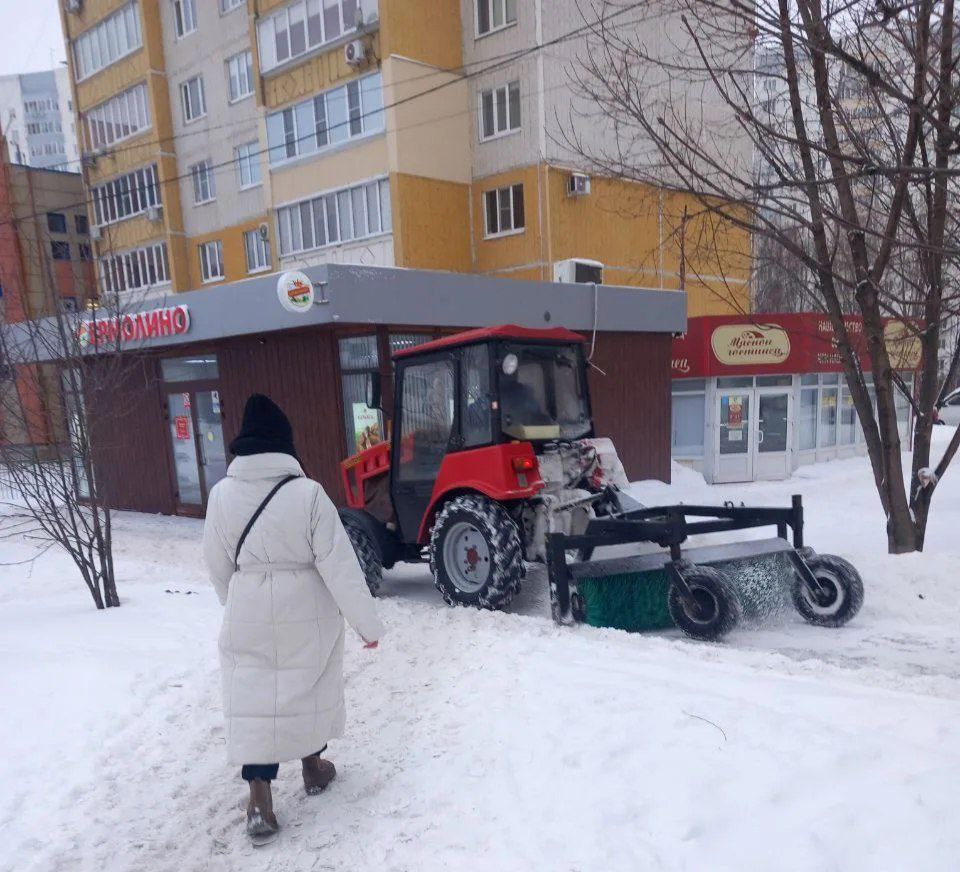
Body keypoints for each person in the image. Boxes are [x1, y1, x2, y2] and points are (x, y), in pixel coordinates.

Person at [202, 394, 384, 840]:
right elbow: (340, 565)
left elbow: (216, 563)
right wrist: (367, 625)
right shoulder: (308, 495)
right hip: (307, 605)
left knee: (256, 701)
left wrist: (240, 603)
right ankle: (313, 767)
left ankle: (260, 797)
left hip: (247, 603)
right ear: (284, 444)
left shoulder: (222, 495)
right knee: (308, 683)